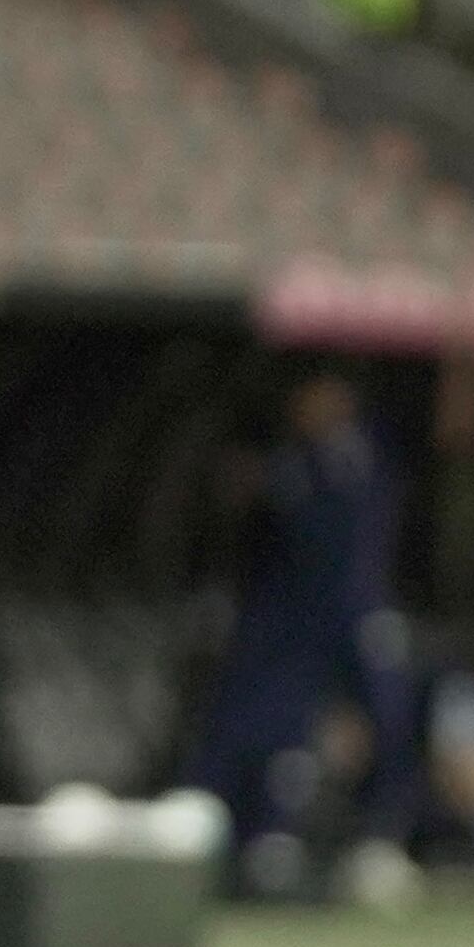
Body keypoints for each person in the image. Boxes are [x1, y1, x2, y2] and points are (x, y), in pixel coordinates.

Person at [187, 366, 408, 863]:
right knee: (260, 725)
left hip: (354, 612)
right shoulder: (288, 465)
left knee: (388, 715)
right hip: (290, 621)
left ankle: (381, 837)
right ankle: (231, 833)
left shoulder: (371, 453)